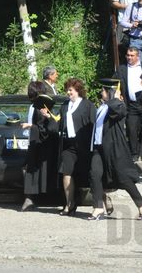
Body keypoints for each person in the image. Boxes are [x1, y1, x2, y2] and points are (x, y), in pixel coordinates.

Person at [88, 78, 142, 221]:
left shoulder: (118, 105)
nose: (101, 93)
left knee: (124, 179)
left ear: (110, 92)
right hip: (98, 148)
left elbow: (120, 112)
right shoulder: (102, 106)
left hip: (114, 149)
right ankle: (98, 208)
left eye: (103, 90)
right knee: (95, 175)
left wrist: (115, 98)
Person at [57, 78, 95, 216]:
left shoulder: (88, 105)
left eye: (70, 90)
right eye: (67, 90)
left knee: (91, 175)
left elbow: (93, 124)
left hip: (84, 145)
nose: (68, 93)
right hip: (69, 145)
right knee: (66, 172)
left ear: (78, 90)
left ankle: (103, 200)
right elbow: (59, 123)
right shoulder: (64, 106)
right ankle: (69, 204)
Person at [21, 83, 60, 211]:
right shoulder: (34, 106)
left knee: (32, 170)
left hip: (41, 144)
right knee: (29, 169)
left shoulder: (42, 107)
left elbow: (44, 128)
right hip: (34, 142)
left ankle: (31, 199)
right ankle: (29, 198)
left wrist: (30, 126)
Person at [115, 46, 142, 159]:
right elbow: (115, 83)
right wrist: (118, 93)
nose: (129, 57)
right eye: (128, 55)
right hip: (131, 104)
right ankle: (134, 153)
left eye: (132, 55)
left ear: (138, 56)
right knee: (131, 129)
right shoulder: (122, 69)